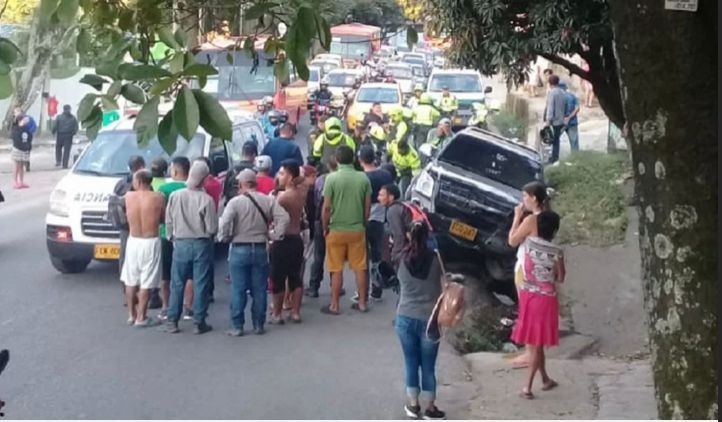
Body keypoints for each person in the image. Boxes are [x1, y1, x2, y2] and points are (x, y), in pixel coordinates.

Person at [219, 169, 289, 336]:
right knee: (259, 288)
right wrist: (275, 235)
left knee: (238, 288)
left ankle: (237, 326)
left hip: (238, 247)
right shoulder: (268, 200)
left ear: (242, 184)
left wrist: (225, 237)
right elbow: (284, 217)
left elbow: (225, 222)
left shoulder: (235, 203)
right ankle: (258, 324)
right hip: (259, 248)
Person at [510, 210, 564, 399]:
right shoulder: (557, 252)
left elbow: (514, 243)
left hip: (527, 295)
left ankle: (545, 379)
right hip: (546, 299)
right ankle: (527, 387)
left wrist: (518, 218)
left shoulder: (528, 243)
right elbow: (561, 277)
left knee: (535, 343)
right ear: (554, 231)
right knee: (537, 343)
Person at [394, 221, 446, 420]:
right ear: (428, 236)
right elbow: (445, 281)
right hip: (430, 319)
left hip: (405, 317)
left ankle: (414, 405)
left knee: (410, 362)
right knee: (428, 365)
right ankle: (430, 408)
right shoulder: (436, 259)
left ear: (408, 235)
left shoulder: (400, 258)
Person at [164, 161, 218, 334]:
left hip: (180, 242)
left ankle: (172, 320)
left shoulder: (176, 195)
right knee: (200, 282)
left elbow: (169, 220)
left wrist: (171, 236)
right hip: (201, 243)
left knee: (177, 282)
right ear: (203, 179)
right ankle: (199, 322)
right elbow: (211, 228)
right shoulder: (206, 200)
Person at [321, 146, 371, 315]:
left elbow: (326, 208)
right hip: (357, 229)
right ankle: (362, 302)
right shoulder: (363, 178)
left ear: (337, 160)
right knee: (360, 267)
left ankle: (334, 305)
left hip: (336, 229)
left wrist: (325, 227)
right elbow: (367, 206)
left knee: (336, 269)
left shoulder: (331, 179)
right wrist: (363, 223)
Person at [507, 181, 549, 368]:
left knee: (527, 311)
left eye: (525, 196)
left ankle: (530, 353)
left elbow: (512, 241)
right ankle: (532, 353)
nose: (523, 200)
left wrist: (517, 217)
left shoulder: (530, 220)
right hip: (541, 269)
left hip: (525, 268)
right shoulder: (549, 218)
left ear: (534, 198)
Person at [121, 170, 165, 327]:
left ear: (138, 182)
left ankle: (131, 315)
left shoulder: (128, 197)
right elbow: (163, 219)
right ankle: (142, 317)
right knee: (146, 280)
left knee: (131, 279)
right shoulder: (158, 198)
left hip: (133, 241)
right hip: (150, 240)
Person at [269, 160, 308, 323]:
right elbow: (303, 180)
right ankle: (295, 312)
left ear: (290, 176)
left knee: (278, 278)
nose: (279, 176)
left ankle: (277, 314)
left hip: (282, 239)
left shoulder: (282, 197)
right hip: (296, 238)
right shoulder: (301, 192)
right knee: (295, 277)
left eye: (282, 173)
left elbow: (271, 216)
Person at [356, 146, 394, 302]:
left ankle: (363, 292)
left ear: (360, 160)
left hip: (362, 220)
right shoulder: (385, 175)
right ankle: (377, 288)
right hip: (380, 218)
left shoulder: (360, 178)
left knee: (362, 258)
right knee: (377, 254)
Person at [157, 157, 190, 321]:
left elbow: (160, 212)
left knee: (166, 273)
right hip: (187, 235)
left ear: (175, 171)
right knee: (189, 274)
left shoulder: (164, 188)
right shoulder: (193, 188)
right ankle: (188, 306)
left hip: (165, 234)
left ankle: (165, 306)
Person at [114, 156, 146, 307]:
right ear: (141, 166)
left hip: (124, 228)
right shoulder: (140, 184)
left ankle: (127, 293)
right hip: (138, 227)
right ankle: (139, 294)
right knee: (139, 261)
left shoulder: (120, 184)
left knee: (125, 259)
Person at [305, 158, 338, 298]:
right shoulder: (339, 180)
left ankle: (314, 286)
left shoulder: (320, 181)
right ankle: (335, 286)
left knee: (318, 256)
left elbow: (315, 201)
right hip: (336, 220)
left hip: (320, 220)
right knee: (335, 257)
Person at [544, 75, 566, 164]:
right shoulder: (562, 92)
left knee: (551, 139)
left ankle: (553, 158)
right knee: (556, 140)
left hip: (554, 120)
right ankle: (554, 157)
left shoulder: (552, 93)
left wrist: (548, 121)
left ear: (549, 83)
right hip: (560, 119)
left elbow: (550, 107)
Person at [10, 107, 35, 189]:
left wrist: (28, 145)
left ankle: (21, 181)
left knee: (21, 165)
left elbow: (29, 134)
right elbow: (14, 135)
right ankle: (15, 182)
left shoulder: (26, 123)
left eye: (18, 111)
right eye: (15, 112)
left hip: (24, 148)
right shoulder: (15, 124)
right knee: (16, 165)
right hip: (17, 148)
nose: (17, 113)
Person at [52, 104, 78, 169]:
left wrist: (53, 132)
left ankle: (58, 160)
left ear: (63, 109)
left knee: (58, 148)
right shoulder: (73, 117)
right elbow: (76, 127)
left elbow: (55, 125)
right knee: (67, 150)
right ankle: (64, 165)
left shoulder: (59, 117)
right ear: (69, 109)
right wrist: (73, 133)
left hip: (60, 135)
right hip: (69, 136)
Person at [559, 81, 580, 152]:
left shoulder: (557, 97)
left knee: (554, 141)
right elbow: (577, 108)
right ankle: (575, 159)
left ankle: (554, 159)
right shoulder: (572, 95)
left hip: (560, 123)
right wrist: (569, 117)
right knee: (574, 144)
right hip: (572, 122)